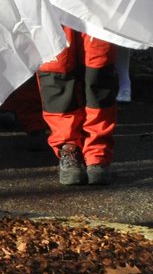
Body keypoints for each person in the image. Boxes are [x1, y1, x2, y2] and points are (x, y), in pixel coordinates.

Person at [37, 27, 120, 186]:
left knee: (99, 72)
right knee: (56, 73)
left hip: (98, 7)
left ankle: (97, 154)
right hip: (54, 8)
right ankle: (69, 148)